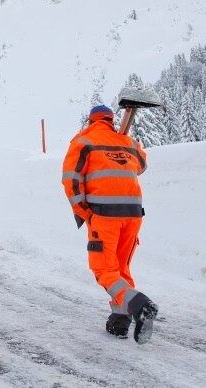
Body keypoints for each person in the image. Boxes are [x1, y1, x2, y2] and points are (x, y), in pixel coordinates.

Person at [61, 105, 158, 344]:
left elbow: (70, 180)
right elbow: (141, 165)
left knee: (104, 269)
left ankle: (139, 305)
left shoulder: (83, 140)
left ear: (90, 120)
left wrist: (84, 211)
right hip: (133, 214)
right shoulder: (127, 141)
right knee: (120, 267)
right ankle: (119, 322)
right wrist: (122, 143)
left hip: (105, 215)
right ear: (111, 120)